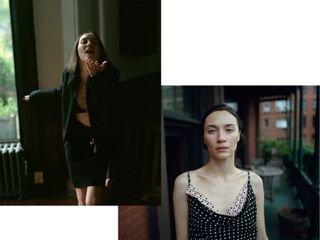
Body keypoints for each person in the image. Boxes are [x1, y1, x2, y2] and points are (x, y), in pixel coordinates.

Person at [24, 32, 120, 205]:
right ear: (77, 49)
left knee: (92, 203)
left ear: (99, 50)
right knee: (82, 202)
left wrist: (96, 79)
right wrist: (35, 96)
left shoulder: (110, 74)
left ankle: (106, 190)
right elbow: (61, 93)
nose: (89, 44)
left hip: (98, 141)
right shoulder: (69, 73)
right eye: (84, 41)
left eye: (94, 42)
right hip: (75, 142)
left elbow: (107, 106)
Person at [173, 104, 268, 239]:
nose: (221, 138)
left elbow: (262, 237)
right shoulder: (185, 183)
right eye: (212, 131)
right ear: (204, 138)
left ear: (239, 135)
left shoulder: (253, 181)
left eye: (229, 130)